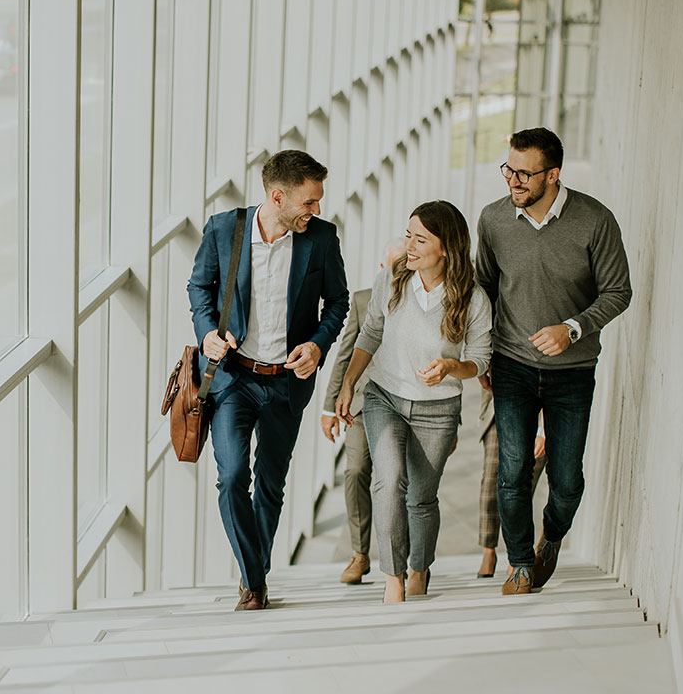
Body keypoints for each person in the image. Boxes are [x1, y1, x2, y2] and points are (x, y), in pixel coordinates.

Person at [188, 149, 350, 611]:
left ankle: (251, 578)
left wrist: (317, 345)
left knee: (271, 484)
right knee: (234, 475)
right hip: (233, 378)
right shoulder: (224, 230)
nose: (316, 210)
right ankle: (255, 578)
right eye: (309, 202)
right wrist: (207, 335)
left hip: (285, 382)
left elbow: (337, 302)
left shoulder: (321, 239)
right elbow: (199, 287)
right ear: (278, 197)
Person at [476, 126, 632, 596]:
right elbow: (484, 289)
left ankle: (553, 537)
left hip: (573, 371)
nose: (513, 181)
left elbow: (618, 291)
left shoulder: (594, 220)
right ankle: (520, 562)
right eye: (509, 170)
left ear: (553, 175)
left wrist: (573, 329)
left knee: (566, 480)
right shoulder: (493, 220)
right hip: (511, 364)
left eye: (525, 174)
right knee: (513, 468)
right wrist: (482, 355)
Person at [336, 201, 492, 603]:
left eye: (420, 238)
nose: (410, 245)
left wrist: (451, 367)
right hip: (384, 397)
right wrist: (349, 383)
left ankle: (420, 567)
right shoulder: (392, 280)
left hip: (437, 409)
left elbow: (480, 360)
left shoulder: (473, 300)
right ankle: (394, 577)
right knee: (388, 482)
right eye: (408, 235)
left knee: (421, 497)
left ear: (446, 247)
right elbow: (369, 334)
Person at [320, 239, 407, 585]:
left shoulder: (424, 301)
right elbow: (345, 356)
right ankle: (359, 553)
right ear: (382, 269)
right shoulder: (361, 300)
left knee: (401, 480)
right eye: (392, 266)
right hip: (361, 404)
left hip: (406, 405)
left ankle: (406, 559)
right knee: (356, 471)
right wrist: (330, 407)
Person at [476, 389, 546, 578]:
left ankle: (516, 558)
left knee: (521, 489)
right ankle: (488, 552)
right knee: (490, 486)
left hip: (536, 417)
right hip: (498, 410)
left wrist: (543, 428)